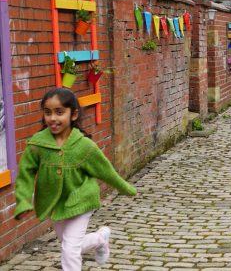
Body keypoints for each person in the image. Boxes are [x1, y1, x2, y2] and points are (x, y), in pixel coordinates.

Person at [14, 88, 138, 271]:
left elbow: (105, 171)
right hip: (56, 204)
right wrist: (23, 201)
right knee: (71, 245)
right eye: (48, 112)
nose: (53, 118)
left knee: (70, 250)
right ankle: (99, 240)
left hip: (81, 200)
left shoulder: (84, 146)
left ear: (73, 114)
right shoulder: (37, 145)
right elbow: (25, 174)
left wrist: (125, 187)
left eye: (59, 112)